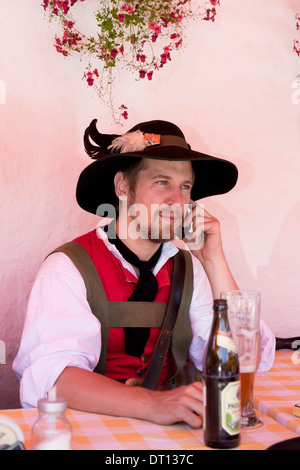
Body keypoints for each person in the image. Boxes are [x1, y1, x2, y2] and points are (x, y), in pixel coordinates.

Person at [13, 119, 275, 428]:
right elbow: (53, 378)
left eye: (185, 187)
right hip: (87, 432)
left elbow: (245, 361)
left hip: (168, 436)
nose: (177, 201)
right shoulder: (68, 268)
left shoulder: (190, 270)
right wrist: (154, 403)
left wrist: (213, 260)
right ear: (123, 186)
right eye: (162, 182)